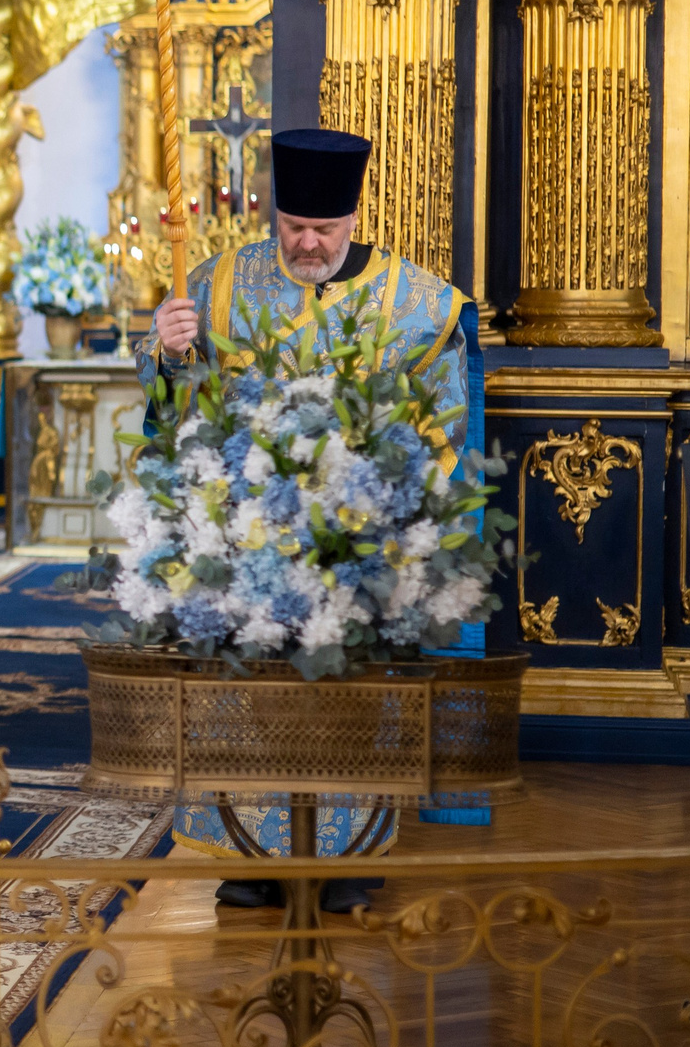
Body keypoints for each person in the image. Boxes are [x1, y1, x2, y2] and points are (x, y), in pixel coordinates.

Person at [143, 127, 474, 913]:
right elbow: (177, 406)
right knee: (251, 695)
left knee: (348, 696)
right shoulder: (220, 282)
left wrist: (397, 495)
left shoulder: (414, 299)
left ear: (354, 218)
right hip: (249, 536)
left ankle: (348, 857)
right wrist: (165, 350)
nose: (307, 243)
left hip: (353, 539)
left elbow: (447, 415)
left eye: (323, 230)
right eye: (293, 226)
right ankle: (252, 853)